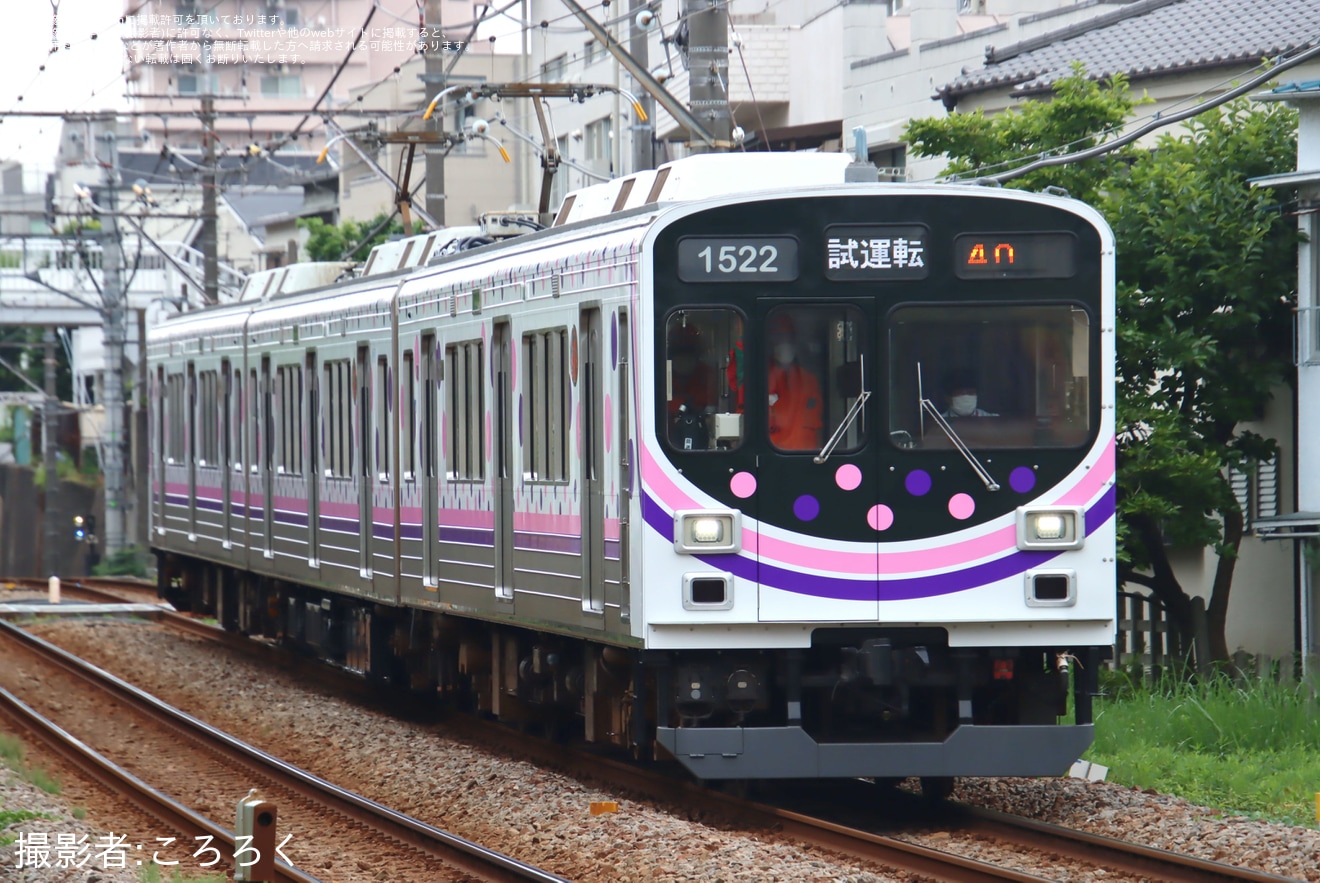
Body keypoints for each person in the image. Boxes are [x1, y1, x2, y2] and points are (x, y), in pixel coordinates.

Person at [766, 315, 823, 450]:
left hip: (805, 448)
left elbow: (815, 414)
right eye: (780, 341)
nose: (784, 346)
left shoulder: (808, 379)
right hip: (774, 448)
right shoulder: (764, 378)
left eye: (788, 341)